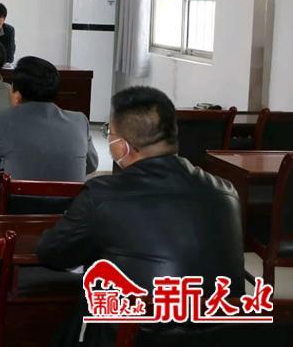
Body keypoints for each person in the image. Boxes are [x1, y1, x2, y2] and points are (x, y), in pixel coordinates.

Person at [36, 87, 245, 347]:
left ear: (122, 146)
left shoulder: (103, 194)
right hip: (218, 336)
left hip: (136, 337)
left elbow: (52, 251)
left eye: (109, 133)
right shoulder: (226, 192)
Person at [0, 56, 97, 180]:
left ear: (17, 95)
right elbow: (91, 165)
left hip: (21, 194)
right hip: (71, 195)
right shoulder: (79, 121)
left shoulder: (4, 119)